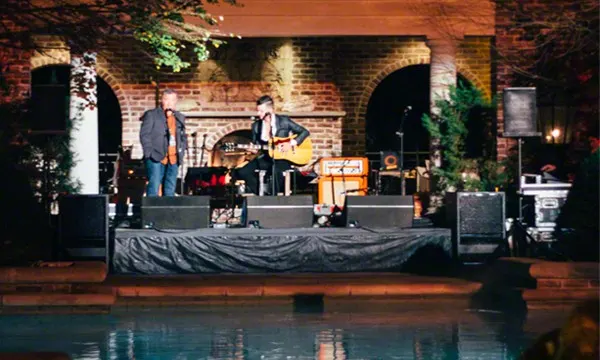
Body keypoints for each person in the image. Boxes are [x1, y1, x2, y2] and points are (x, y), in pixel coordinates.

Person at [232, 95, 310, 195]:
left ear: (270, 111)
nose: (258, 113)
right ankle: (264, 195)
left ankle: (273, 199)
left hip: (283, 158)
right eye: (258, 110)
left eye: (261, 111)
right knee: (242, 172)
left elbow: (304, 132)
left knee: (276, 173)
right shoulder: (256, 126)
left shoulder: (284, 121)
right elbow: (257, 145)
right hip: (266, 157)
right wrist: (253, 149)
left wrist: (291, 144)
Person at [139, 89, 187, 197]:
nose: (169, 103)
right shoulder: (152, 115)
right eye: (167, 100)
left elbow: (183, 136)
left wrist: (182, 152)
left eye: (172, 100)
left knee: (170, 189)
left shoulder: (179, 117)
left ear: (176, 101)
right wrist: (149, 153)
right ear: (162, 100)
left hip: (174, 157)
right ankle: (152, 213)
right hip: (156, 156)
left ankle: (168, 213)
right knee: (154, 186)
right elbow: (144, 135)